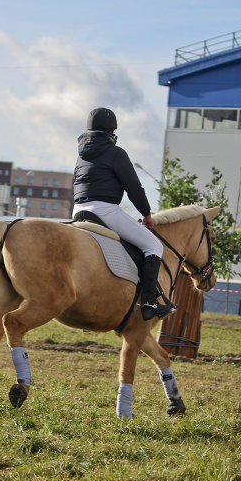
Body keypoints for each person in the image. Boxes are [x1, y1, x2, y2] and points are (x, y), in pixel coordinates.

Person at [73, 107, 176, 321]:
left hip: (78, 210)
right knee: (153, 245)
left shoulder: (81, 154)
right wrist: (146, 214)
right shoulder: (115, 153)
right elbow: (134, 188)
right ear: (112, 131)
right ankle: (148, 303)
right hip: (105, 210)